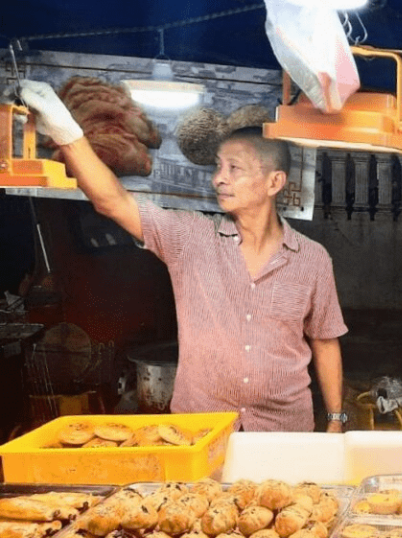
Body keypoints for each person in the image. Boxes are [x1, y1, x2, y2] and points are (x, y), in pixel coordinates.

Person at [19, 80, 348, 433]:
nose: (219, 179)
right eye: (218, 167)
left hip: (284, 432)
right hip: (201, 432)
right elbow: (113, 201)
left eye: (234, 169)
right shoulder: (190, 238)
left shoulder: (312, 259)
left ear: (274, 182)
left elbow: (325, 340)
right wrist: (65, 130)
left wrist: (335, 420)